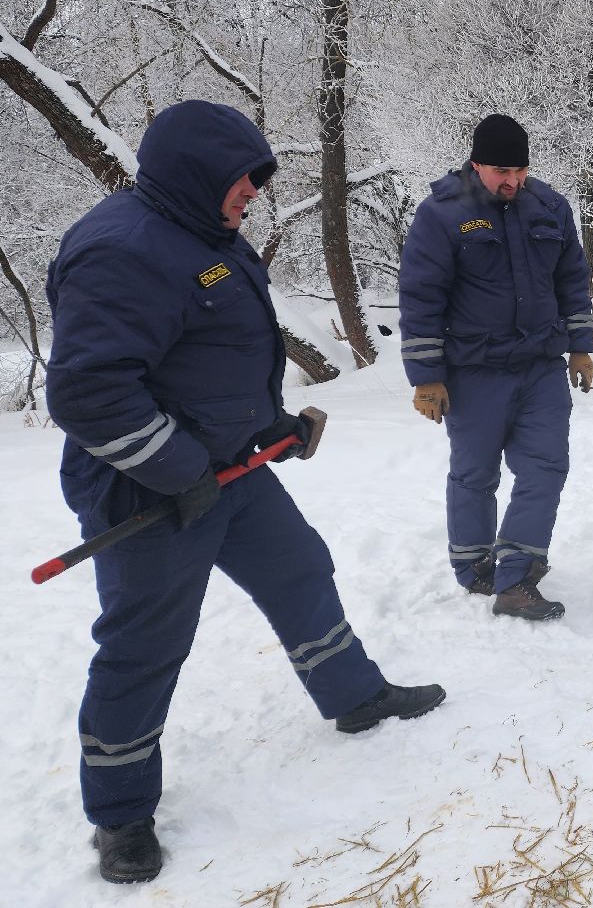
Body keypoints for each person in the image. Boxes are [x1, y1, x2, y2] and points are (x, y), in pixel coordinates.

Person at [45, 100, 446, 886]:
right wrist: (179, 469)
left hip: (228, 470)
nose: (254, 193)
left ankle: (355, 696)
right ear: (195, 173)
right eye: (242, 178)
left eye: (258, 178)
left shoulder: (206, 234)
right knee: (145, 643)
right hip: (146, 490)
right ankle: (120, 813)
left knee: (300, 569)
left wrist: (272, 427)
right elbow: (89, 393)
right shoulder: (121, 251)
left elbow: (215, 356)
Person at [398, 114, 593, 621]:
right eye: (502, 171)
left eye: (520, 170)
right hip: (474, 371)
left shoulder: (549, 207)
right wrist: (426, 376)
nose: (513, 181)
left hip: (539, 367)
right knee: (475, 474)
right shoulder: (442, 214)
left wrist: (581, 346)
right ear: (477, 164)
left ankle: (517, 576)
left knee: (546, 467)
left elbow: (572, 280)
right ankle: (472, 566)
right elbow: (421, 297)